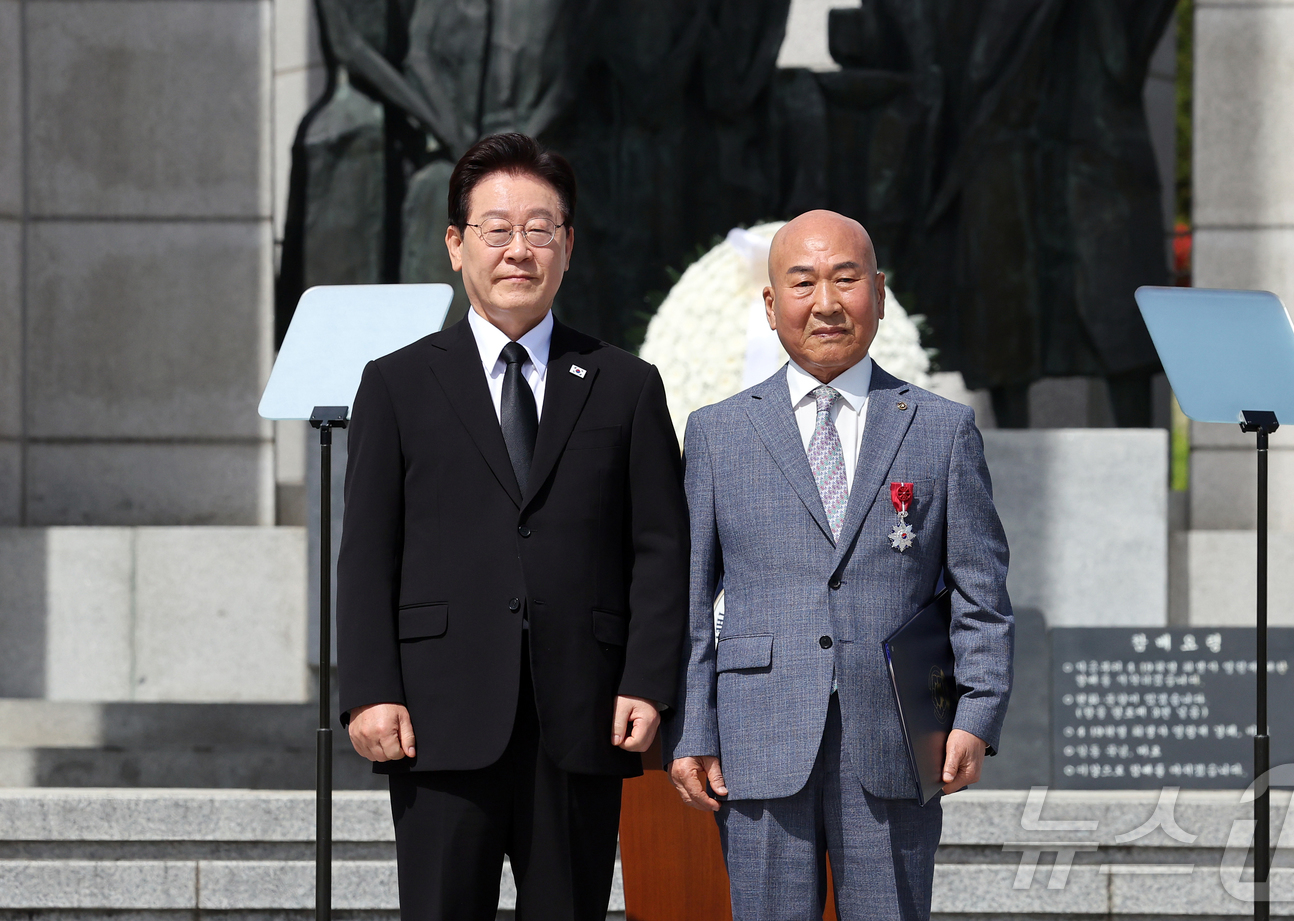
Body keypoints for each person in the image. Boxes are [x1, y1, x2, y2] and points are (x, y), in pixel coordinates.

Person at [336, 133, 689, 921]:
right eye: (496, 230)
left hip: (583, 713)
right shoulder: (397, 384)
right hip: (437, 714)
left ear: (567, 245)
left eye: (540, 229)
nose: (518, 250)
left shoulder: (625, 386)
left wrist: (648, 678)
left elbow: (660, 549)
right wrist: (368, 691)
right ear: (456, 245)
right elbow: (366, 554)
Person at [664, 210, 1014, 920]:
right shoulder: (717, 433)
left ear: (878, 295)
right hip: (758, 735)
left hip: (895, 735)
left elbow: (982, 591)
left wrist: (977, 711)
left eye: (845, 279)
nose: (826, 302)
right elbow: (691, 600)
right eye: (803, 282)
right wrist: (693, 730)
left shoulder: (941, 429)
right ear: (771, 305)